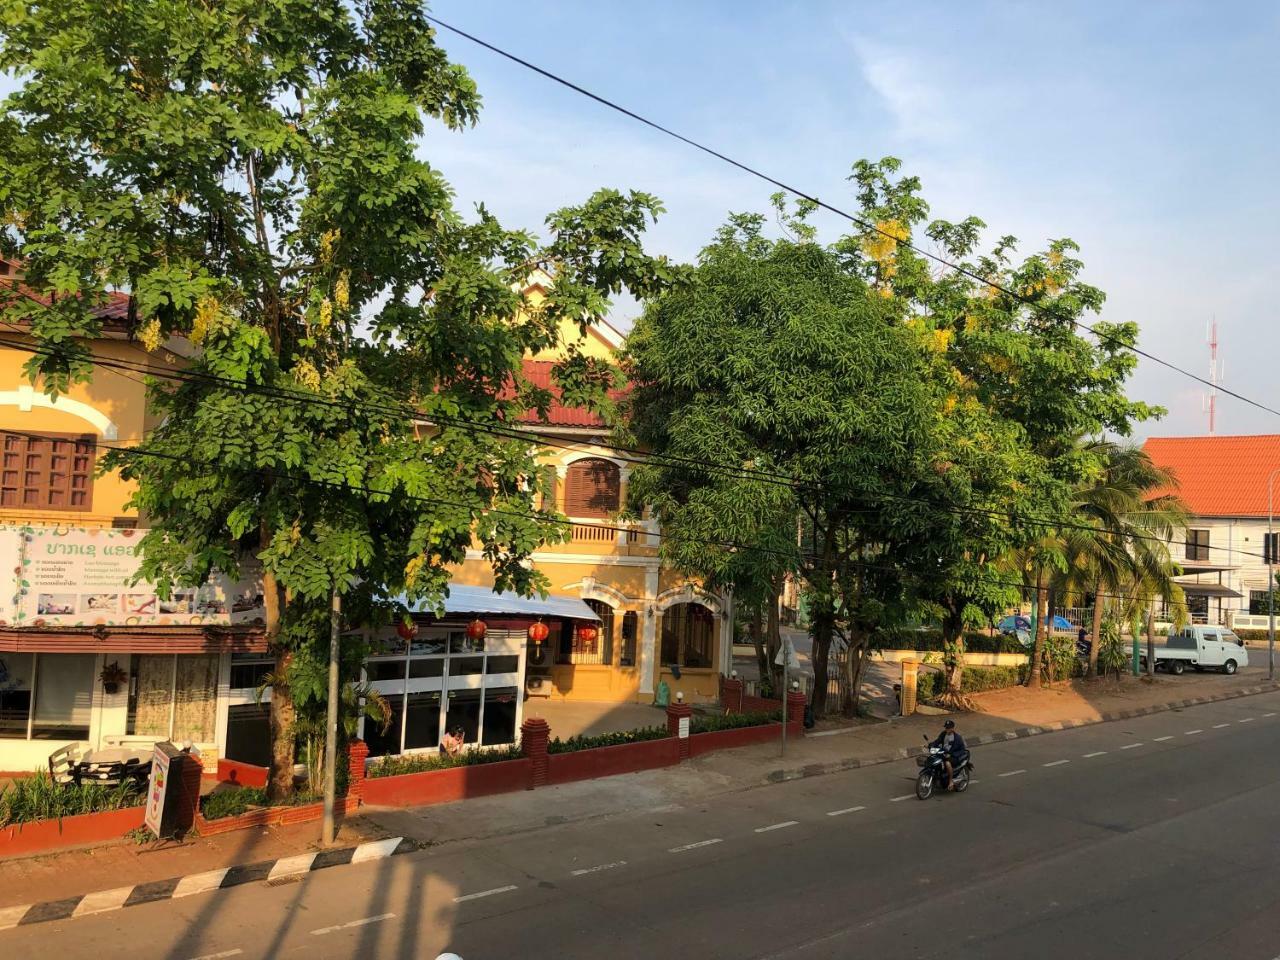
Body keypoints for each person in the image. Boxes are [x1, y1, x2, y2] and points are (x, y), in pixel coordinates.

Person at [930, 719, 968, 790]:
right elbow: (937, 741)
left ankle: (950, 781)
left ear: (952, 728)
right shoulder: (943, 734)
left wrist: (952, 754)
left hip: (953, 756)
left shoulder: (957, 738)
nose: (946, 729)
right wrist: (931, 745)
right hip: (944, 753)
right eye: (946, 728)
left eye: (948, 728)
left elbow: (962, 750)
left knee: (947, 763)